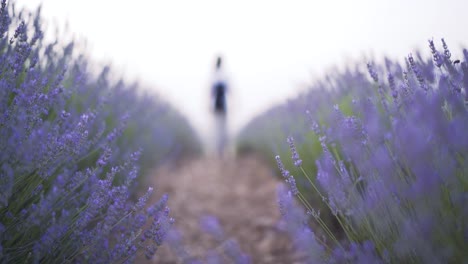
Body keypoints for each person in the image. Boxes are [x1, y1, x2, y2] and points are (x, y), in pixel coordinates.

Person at [211, 56, 228, 155]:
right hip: (222, 105)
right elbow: (228, 90)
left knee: (218, 127)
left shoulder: (214, 76)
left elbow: (211, 92)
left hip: (217, 105)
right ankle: (221, 149)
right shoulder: (224, 76)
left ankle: (219, 149)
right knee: (222, 127)